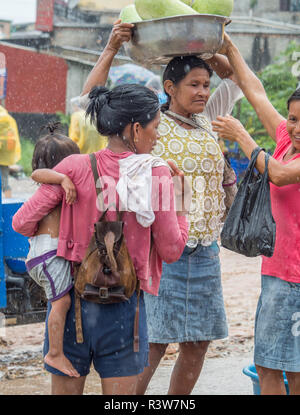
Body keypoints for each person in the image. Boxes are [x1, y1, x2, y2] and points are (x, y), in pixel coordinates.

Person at [77, 20, 244, 395]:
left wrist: (204, 45)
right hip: (160, 251)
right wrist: (110, 49)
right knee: (154, 342)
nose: (203, 91)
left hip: (204, 249)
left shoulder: (208, 118)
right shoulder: (150, 121)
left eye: (206, 84)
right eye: (193, 85)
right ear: (169, 88)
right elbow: (90, 103)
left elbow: (232, 76)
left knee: (198, 342)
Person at [12, 81, 189, 395]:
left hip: (71, 303)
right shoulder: (158, 174)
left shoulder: (75, 167)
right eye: (155, 127)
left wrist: (64, 225)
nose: (157, 135)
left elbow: (22, 222)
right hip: (125, 310)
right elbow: (172, 249)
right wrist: (181, 195)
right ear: (135, 129)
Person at [211, 34, 300, 395]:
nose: (294, 127)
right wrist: (228, 46)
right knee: (281, 367)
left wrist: (243, 137)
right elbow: (257, 92)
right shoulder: (286, 140)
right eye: (292, 118)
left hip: (293, 279)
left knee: (275, 368)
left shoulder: (288, 156)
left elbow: (277, 174)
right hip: (277, 273)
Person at [26, 123, 80, 378]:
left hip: (42, 255)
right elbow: (38, 175)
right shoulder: (56, 188)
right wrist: (62, 177)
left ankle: (55, 350)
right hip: (48, 256)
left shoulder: (51, 189)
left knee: (59, 300)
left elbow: (37, 173)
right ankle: (54, 353)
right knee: (62, 301)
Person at [0, 105, 21, 198]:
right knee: (4, 181)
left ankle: (8, 199)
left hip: (3, 157)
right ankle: (8, 199)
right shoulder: (6, 118)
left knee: (4, 182)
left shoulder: (2, 120)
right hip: (5, 159)